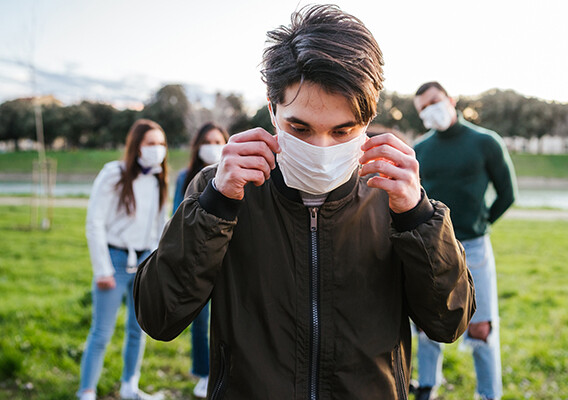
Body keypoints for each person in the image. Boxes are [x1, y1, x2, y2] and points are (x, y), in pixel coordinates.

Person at [134, 6, 476, 400]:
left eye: (342, 130)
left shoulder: (393, 194)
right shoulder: (222, 189)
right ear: (272, 107)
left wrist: (417, 215)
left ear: (369, 116)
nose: (321, 147)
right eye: (300, 128)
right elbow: (159, 316)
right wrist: (215, 207)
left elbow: (449, 322)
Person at [412, 82, 517, 400]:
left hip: (474, 246)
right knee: (428, 323)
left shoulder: (486, 142)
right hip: (433, 248)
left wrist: (481, 223)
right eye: (423, 108)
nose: (431, 110)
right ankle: (428, 386)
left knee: (481, 328)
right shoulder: (420, 150)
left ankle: (488, 394)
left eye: (434, 102)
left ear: (450, 100)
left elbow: (507, 194)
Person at [78, 119, 168, 400]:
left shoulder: (157, 179)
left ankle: (130, 386)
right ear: (136, 145)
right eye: (150, 144)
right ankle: (87, 391)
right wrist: (102, 269)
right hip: (114, 262)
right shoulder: (113, 173)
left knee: (137, 330)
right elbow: (94, 222)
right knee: (101, 332)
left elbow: (159, 225)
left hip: (144, 262)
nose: (157, 150)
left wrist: (153, 263)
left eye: (161, 144)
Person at [172, 122, 229, 398]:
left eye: (218, 141)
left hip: (227, 256)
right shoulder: (186, 177)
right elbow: (177, 215)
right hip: (199, 255)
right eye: (207, 141)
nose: (213, 146)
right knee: (200, 319)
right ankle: (203, 371)